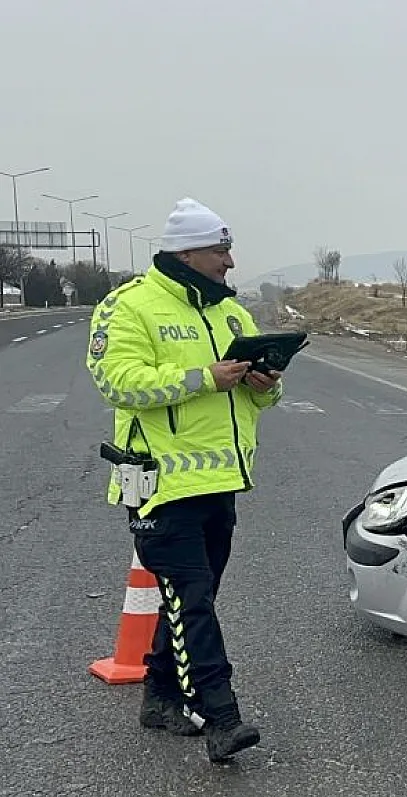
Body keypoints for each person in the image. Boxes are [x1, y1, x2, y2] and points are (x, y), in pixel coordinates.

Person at [86, 198, 283, 763]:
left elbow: (259, 400)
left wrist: (265, 383)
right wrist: (203, 377)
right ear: (187, 253)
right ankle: (222, 718)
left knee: (193, 597)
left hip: (218, 482)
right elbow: (117, 383)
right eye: (221, 251)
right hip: (156, 485)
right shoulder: (128, 306)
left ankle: (160, 696)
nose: (230, 261)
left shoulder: (230, 313)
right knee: (191, 600)